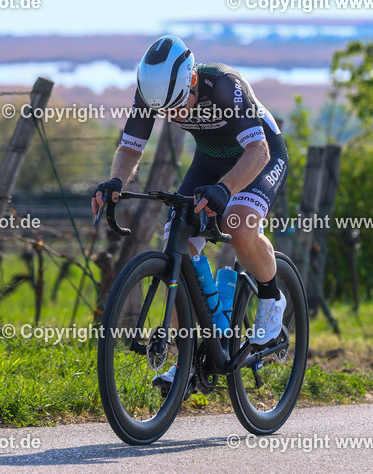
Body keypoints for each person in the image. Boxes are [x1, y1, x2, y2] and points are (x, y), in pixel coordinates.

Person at [91, 36, 289, 390]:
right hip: (210, 160)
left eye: (179, 105)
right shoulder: (152, 93)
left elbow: (258, 152)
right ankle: (189, 362)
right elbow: (131, 148)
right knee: (177, 243)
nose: (175, 115)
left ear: (193, 80)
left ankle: (272, 298)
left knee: (237, 225)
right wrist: (115, 181)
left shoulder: (224, 85)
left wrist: (225, 190)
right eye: (167, 111)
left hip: (260, 156)